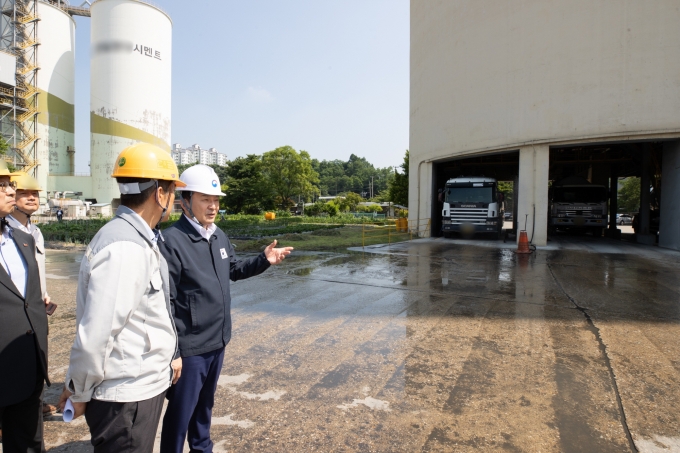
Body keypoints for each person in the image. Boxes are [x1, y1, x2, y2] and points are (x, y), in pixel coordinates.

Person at [58, 143, 185, 453]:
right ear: (159, 193)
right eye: (172, 191)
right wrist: (79, 389)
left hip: (137, 388)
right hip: (126, 397)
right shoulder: (125, 247)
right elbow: (96, 336)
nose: (174, 200)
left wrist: (171, 354)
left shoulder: (136, 237)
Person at [159, 164, 293, 453]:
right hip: (190, 348)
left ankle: (202, 449)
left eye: (216, 200)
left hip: (217, 341)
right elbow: (164, 301)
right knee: (181, 413)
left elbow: (233, 269)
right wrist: (174, 352)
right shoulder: (172, 241)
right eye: (206, 199)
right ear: (186, 200)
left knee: (204, 407)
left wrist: (263, 260)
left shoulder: (218, 235)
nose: (213, 206)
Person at [0, 160, 50, 452]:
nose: (10, 191)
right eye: (2, 185)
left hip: (28, 368)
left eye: (10, 185)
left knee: (28, 443)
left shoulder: (23, 239)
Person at [7, 172, 58, 417]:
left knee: (37, 359)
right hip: (13, 312)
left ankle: (33, 404)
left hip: (35, 307)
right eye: (24, 193)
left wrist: (43, 294)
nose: (31, 198)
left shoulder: (34, 231)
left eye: (35, 194)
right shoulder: (8, 233)